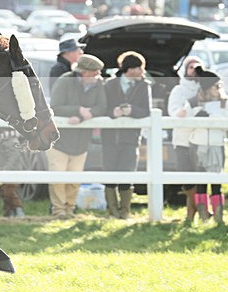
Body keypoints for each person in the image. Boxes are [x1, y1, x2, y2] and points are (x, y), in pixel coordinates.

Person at [47, 54, 107, 218]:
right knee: (58, 176)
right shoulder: (65, 81)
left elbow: (102, 106)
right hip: (59, 140)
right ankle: (58, 210)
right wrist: (78, 109)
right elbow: (56, 106)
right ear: (84, 72)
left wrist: (83, 115)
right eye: (95, 72)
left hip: (81, 140)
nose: (98, 76)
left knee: (74, 177)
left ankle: (70, 209)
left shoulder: (99, 84)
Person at [102, 51, 151, 219]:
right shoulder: (109, 85)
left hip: (131, 139)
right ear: (130, 69)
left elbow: (147, 110)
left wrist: (133, 111)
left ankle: (125, 212)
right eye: (140, 68)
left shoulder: (145, 86)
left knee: (128, 173)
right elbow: (102, 108)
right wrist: (112, 112)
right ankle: (112, 211)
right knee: (109, 174)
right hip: (109, 138)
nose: (143, 72)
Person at [185, 66, 228, 224]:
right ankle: (203, 215)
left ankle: (218, 216)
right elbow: (186, 122)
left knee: (216, 182)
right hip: (198, 145)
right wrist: (196, 113)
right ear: (207, 88)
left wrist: (212, 117)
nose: (218, 88)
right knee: (200, 182)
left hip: (216, 144)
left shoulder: (224, 103)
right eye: (215, 86)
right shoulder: (193, 102)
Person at [167, 55, 205, 221]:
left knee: (200, 178)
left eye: (198, 67)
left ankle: (191, 216)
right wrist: (192, 104)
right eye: (191, 67)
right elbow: (176, 113)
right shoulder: (178, 90)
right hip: (182, 139)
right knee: (186, 178)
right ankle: (202, 209)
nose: (194, 70)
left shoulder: (206, 88)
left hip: (202, 139)